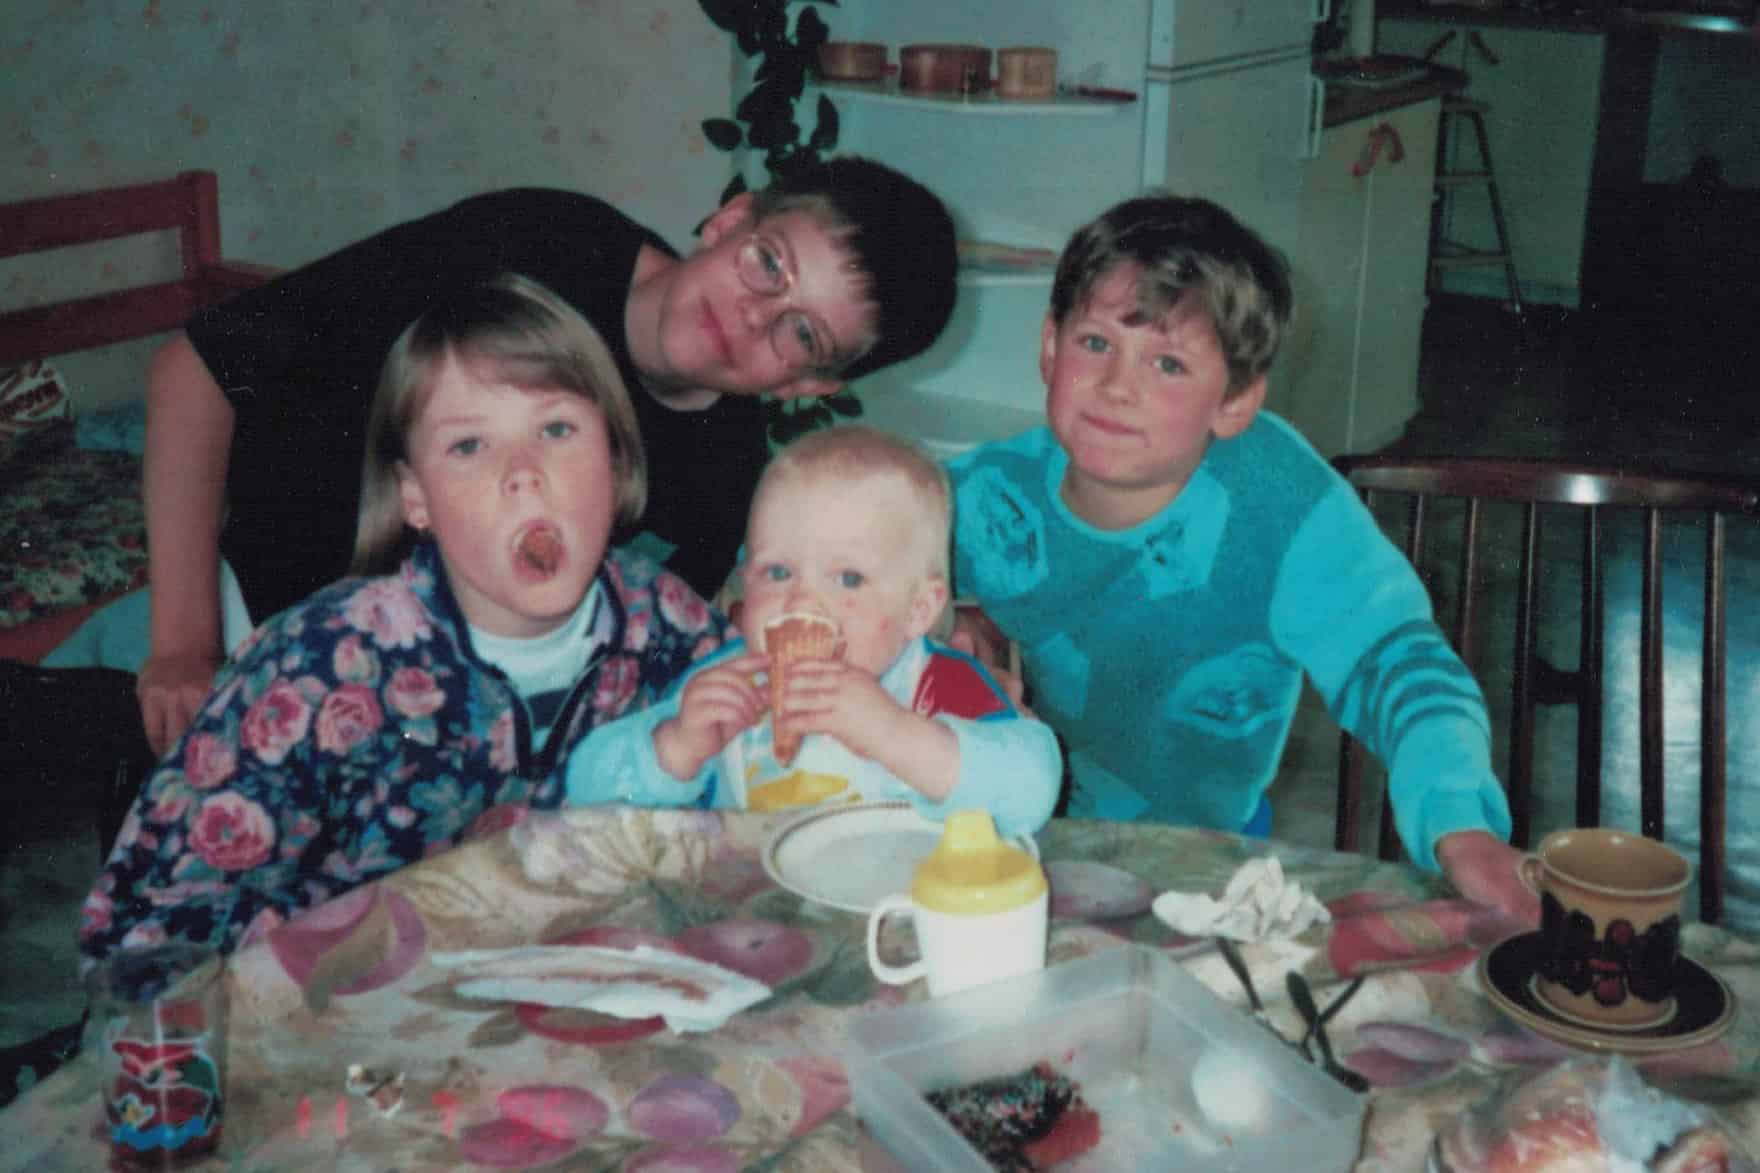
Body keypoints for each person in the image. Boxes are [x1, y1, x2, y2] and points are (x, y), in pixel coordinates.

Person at [135, 157, 958, 756]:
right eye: (769, 263)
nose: (754, 316)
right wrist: (182, 642)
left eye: (802, 334)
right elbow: (193, 371)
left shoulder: (722, 473)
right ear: (730, 220)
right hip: (264, 613)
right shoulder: (536, 242)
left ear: (806, 388)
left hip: (427, 717)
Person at [79, 275, 729, 964]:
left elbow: (750, 792)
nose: (523, 472)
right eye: (469, 446)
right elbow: (140, 933)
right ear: (415, 498)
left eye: (557, 429)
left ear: (616, 458)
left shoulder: (667, 623)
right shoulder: (319, 665)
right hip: (331, 1021)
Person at [947, 194, 1535, 920]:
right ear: (1048, 347)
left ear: (1235, 401)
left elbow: (1397, 658)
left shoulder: (1281, 504)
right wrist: (956, 615)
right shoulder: (981, 494)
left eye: (1167, 363)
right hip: (996, 851)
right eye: (1096, 343)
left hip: (1203, 869)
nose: (1117, 385)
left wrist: (1460, 823)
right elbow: (812, 559)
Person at [565, 425, 1060, 839]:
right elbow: (586, 791)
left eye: (848, 579)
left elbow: (1034, 790)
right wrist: (675, 747)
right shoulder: (730, 683)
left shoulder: (939, 685)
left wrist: (892, 732)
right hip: (755, 920)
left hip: (902, 916)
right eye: (778, 572)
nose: (801, 602)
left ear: (918, 609)